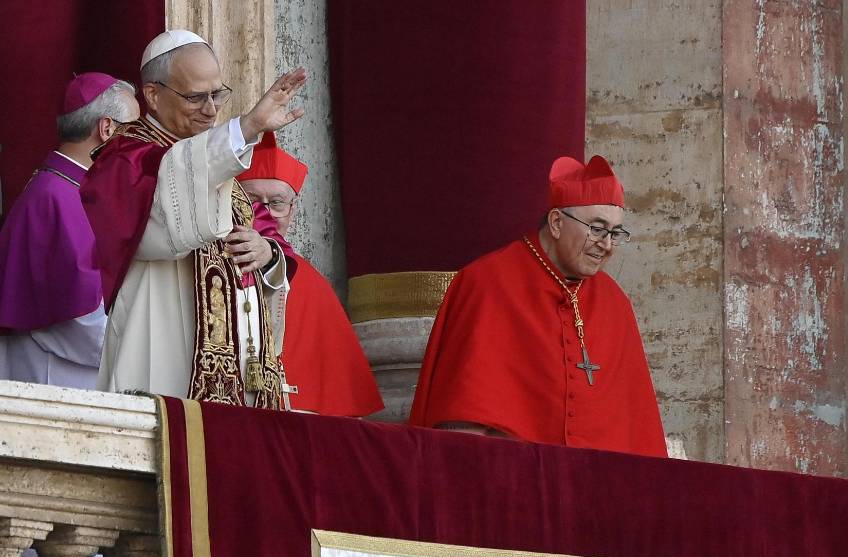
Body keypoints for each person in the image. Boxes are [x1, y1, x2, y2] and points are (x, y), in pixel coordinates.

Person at [80, 30, 307, 407]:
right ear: (153, 95)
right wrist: (247, 127)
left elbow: (270, 244)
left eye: (217, 94)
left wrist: (266, 253)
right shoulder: (125, 159)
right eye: (196, 97)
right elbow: (166, 221)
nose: (211, 110)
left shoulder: (218, 159)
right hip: (168, 358)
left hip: (244, 374)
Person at [409, 156, 668, 457]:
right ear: (556, 223)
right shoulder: (487, 284)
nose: (607, 245)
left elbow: (638, 430)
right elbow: (463, 417)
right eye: (597, 229)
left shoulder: (615, 303)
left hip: (593, 479)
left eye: (615, 233)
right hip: (511, 474)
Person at [0, 73, 139, 388]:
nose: (140, 144)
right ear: (106, 129)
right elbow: (82, 317)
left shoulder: (68, 186)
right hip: (53, 375)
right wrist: (142, 345)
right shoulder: (59, 195)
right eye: (134, 130)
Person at [238, 133, 383, 415]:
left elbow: (344, 407)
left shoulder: (313, 284)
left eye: (277, 203)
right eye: (251, 200)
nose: (264, 213)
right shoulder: (209, 265)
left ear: (292, 211)